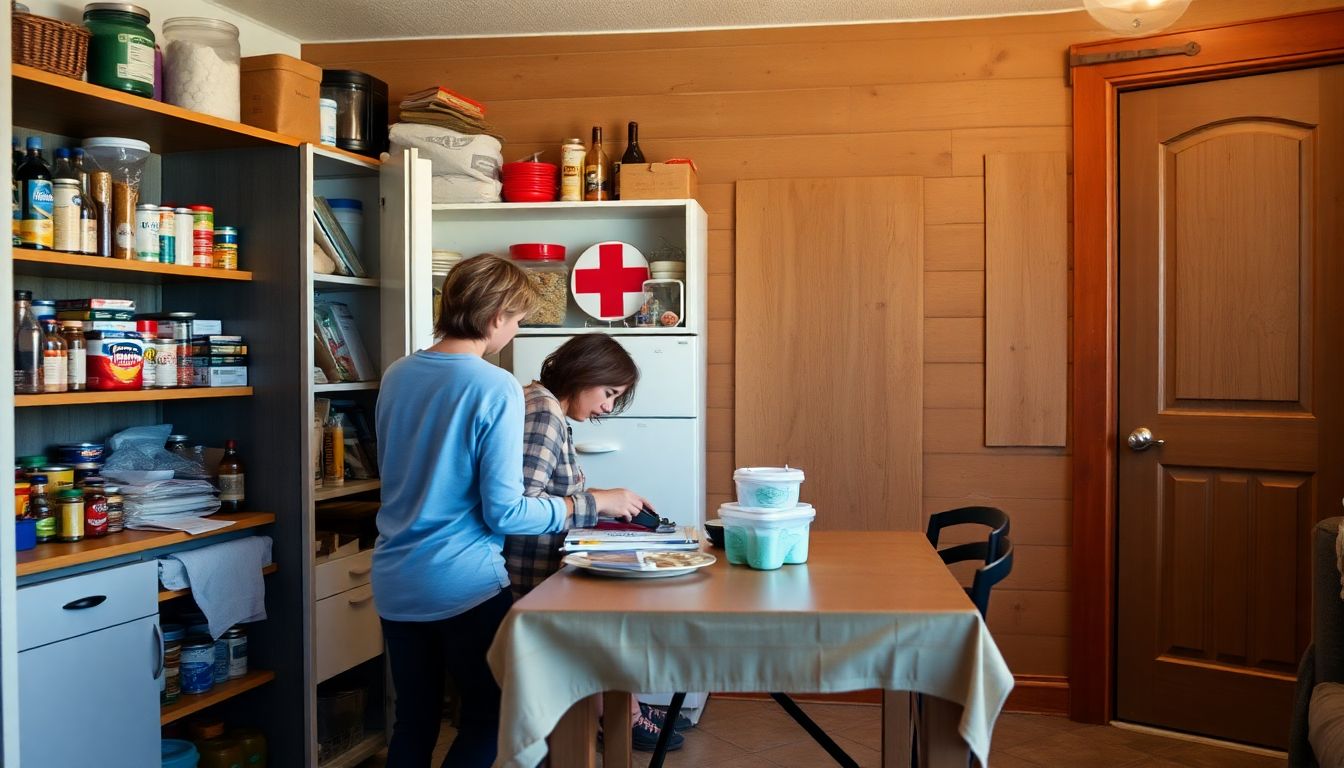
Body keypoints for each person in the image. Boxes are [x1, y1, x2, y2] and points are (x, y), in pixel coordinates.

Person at [372, 255, 632, 768]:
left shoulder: (399, 374)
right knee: (489, 719)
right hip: (462, 583)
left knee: (415, 720)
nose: (515, 332)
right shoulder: (495, 387)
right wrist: (593, 503)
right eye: (517, 320)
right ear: (495, 315)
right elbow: (508, 514)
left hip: (395, 578)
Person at [503, 333, 693, 752]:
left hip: (546, 567)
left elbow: (548, 491)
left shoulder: (543, 406)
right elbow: (520, 507)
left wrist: (608, 501)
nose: (608, 407)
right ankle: (622, 715)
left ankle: (630, 706)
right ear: (583, 374)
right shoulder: (544, 412)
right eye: (608, 393)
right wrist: (599, 502)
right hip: (533, 578)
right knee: (610, 617)